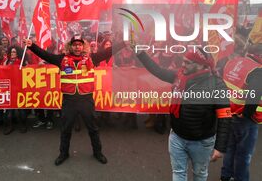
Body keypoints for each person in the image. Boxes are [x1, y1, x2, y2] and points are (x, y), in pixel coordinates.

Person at [25, 35, 125, 166]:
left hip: (86, 101)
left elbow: (109, 51)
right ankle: (63, 153)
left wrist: (124, 43)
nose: (77, 47)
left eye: (80, 44)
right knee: (65, 129)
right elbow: (45, 55)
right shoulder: (62, 59)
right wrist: (32, 45)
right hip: (69, 101)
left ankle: (97, 152)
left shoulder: (91, 58)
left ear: (83, 46)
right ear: (70, 46)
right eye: (75, 44)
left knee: (93, 129)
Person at [136, 47, 231, 181]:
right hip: (176, 138)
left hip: (202, 142)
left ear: (200, 65)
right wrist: (139, 52)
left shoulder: (216, 84)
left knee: (199, 174)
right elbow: (157, 71)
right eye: (183, 61)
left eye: (187, 62)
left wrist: (220, 147)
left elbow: (225, 117)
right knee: (178, 172)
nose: (183, 64)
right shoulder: (179, 77)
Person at [220, 42, 262, 181]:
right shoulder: (257, 70)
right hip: (244, 119)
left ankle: (225, 176)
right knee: (244, 154)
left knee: (230, 148)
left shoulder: (233, 62)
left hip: (226, 113)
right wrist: (247, 115)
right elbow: (253, 96)